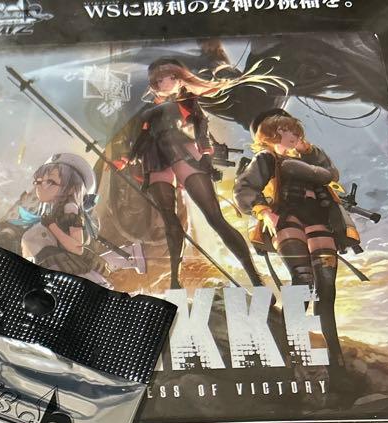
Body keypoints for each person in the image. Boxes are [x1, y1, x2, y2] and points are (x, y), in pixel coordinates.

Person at [114, 57, 288, 288]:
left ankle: (255, 277)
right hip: (154, 158)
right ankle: (175, 280)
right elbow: (142, 137)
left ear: (177, 78)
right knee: (169, 219)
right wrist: (127, 158)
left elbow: (201, 129)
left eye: (164, 78)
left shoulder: (187, 101)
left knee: (215, 217)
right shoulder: (146, 110)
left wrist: (206, 154)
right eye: (155, 79)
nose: (159, 82)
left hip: (182, 151)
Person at [235, 109, 362, 397]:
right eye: (287, 131)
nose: (294, 135)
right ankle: (286, 358)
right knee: (302, 282)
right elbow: (245, 187)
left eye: (295, 130)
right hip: (287, 218)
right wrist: (264, 211)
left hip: (320, 219)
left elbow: (331, 174)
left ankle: (337, 366)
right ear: (272, 134)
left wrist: (309, 150)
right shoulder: (267, 159)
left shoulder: (309, 159)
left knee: (326, 290)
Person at [1, 153, 145, 286]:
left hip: (68, 273)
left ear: (71, 188)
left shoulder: (70, 208)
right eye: (39, 181)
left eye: (50, 181)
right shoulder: (49, 211)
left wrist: (52, 226)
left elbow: (77, 247)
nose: (40, 186)